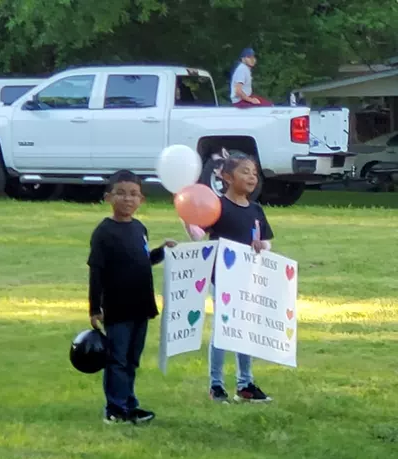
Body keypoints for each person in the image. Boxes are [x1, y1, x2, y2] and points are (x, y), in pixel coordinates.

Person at [88, 170, 175, 424]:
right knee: (116, 358)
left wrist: (162, 252)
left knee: (131, 360)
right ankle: (114, 408)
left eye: (134, 194)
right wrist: (95, 308)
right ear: (108, 197)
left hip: (141, 305)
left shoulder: (139, 228)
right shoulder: (104, 232)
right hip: (117, 308)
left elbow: (143, 261)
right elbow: (96, 271)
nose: (128, 199)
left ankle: (129, 402)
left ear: (142, 200)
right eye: (121, 193)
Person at [187, 153, 274, 403]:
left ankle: (245, 384)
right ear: (226, 177)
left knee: (245, 326)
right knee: (224, 327)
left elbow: (265, 241)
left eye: (254, 173)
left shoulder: (256, 210)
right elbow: (197, 235)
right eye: (245, 171)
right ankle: (216, 385)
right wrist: (186, 214)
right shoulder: (217, 207)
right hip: (223, 277)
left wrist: (262, 246)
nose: (251, 177)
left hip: (248, 277)